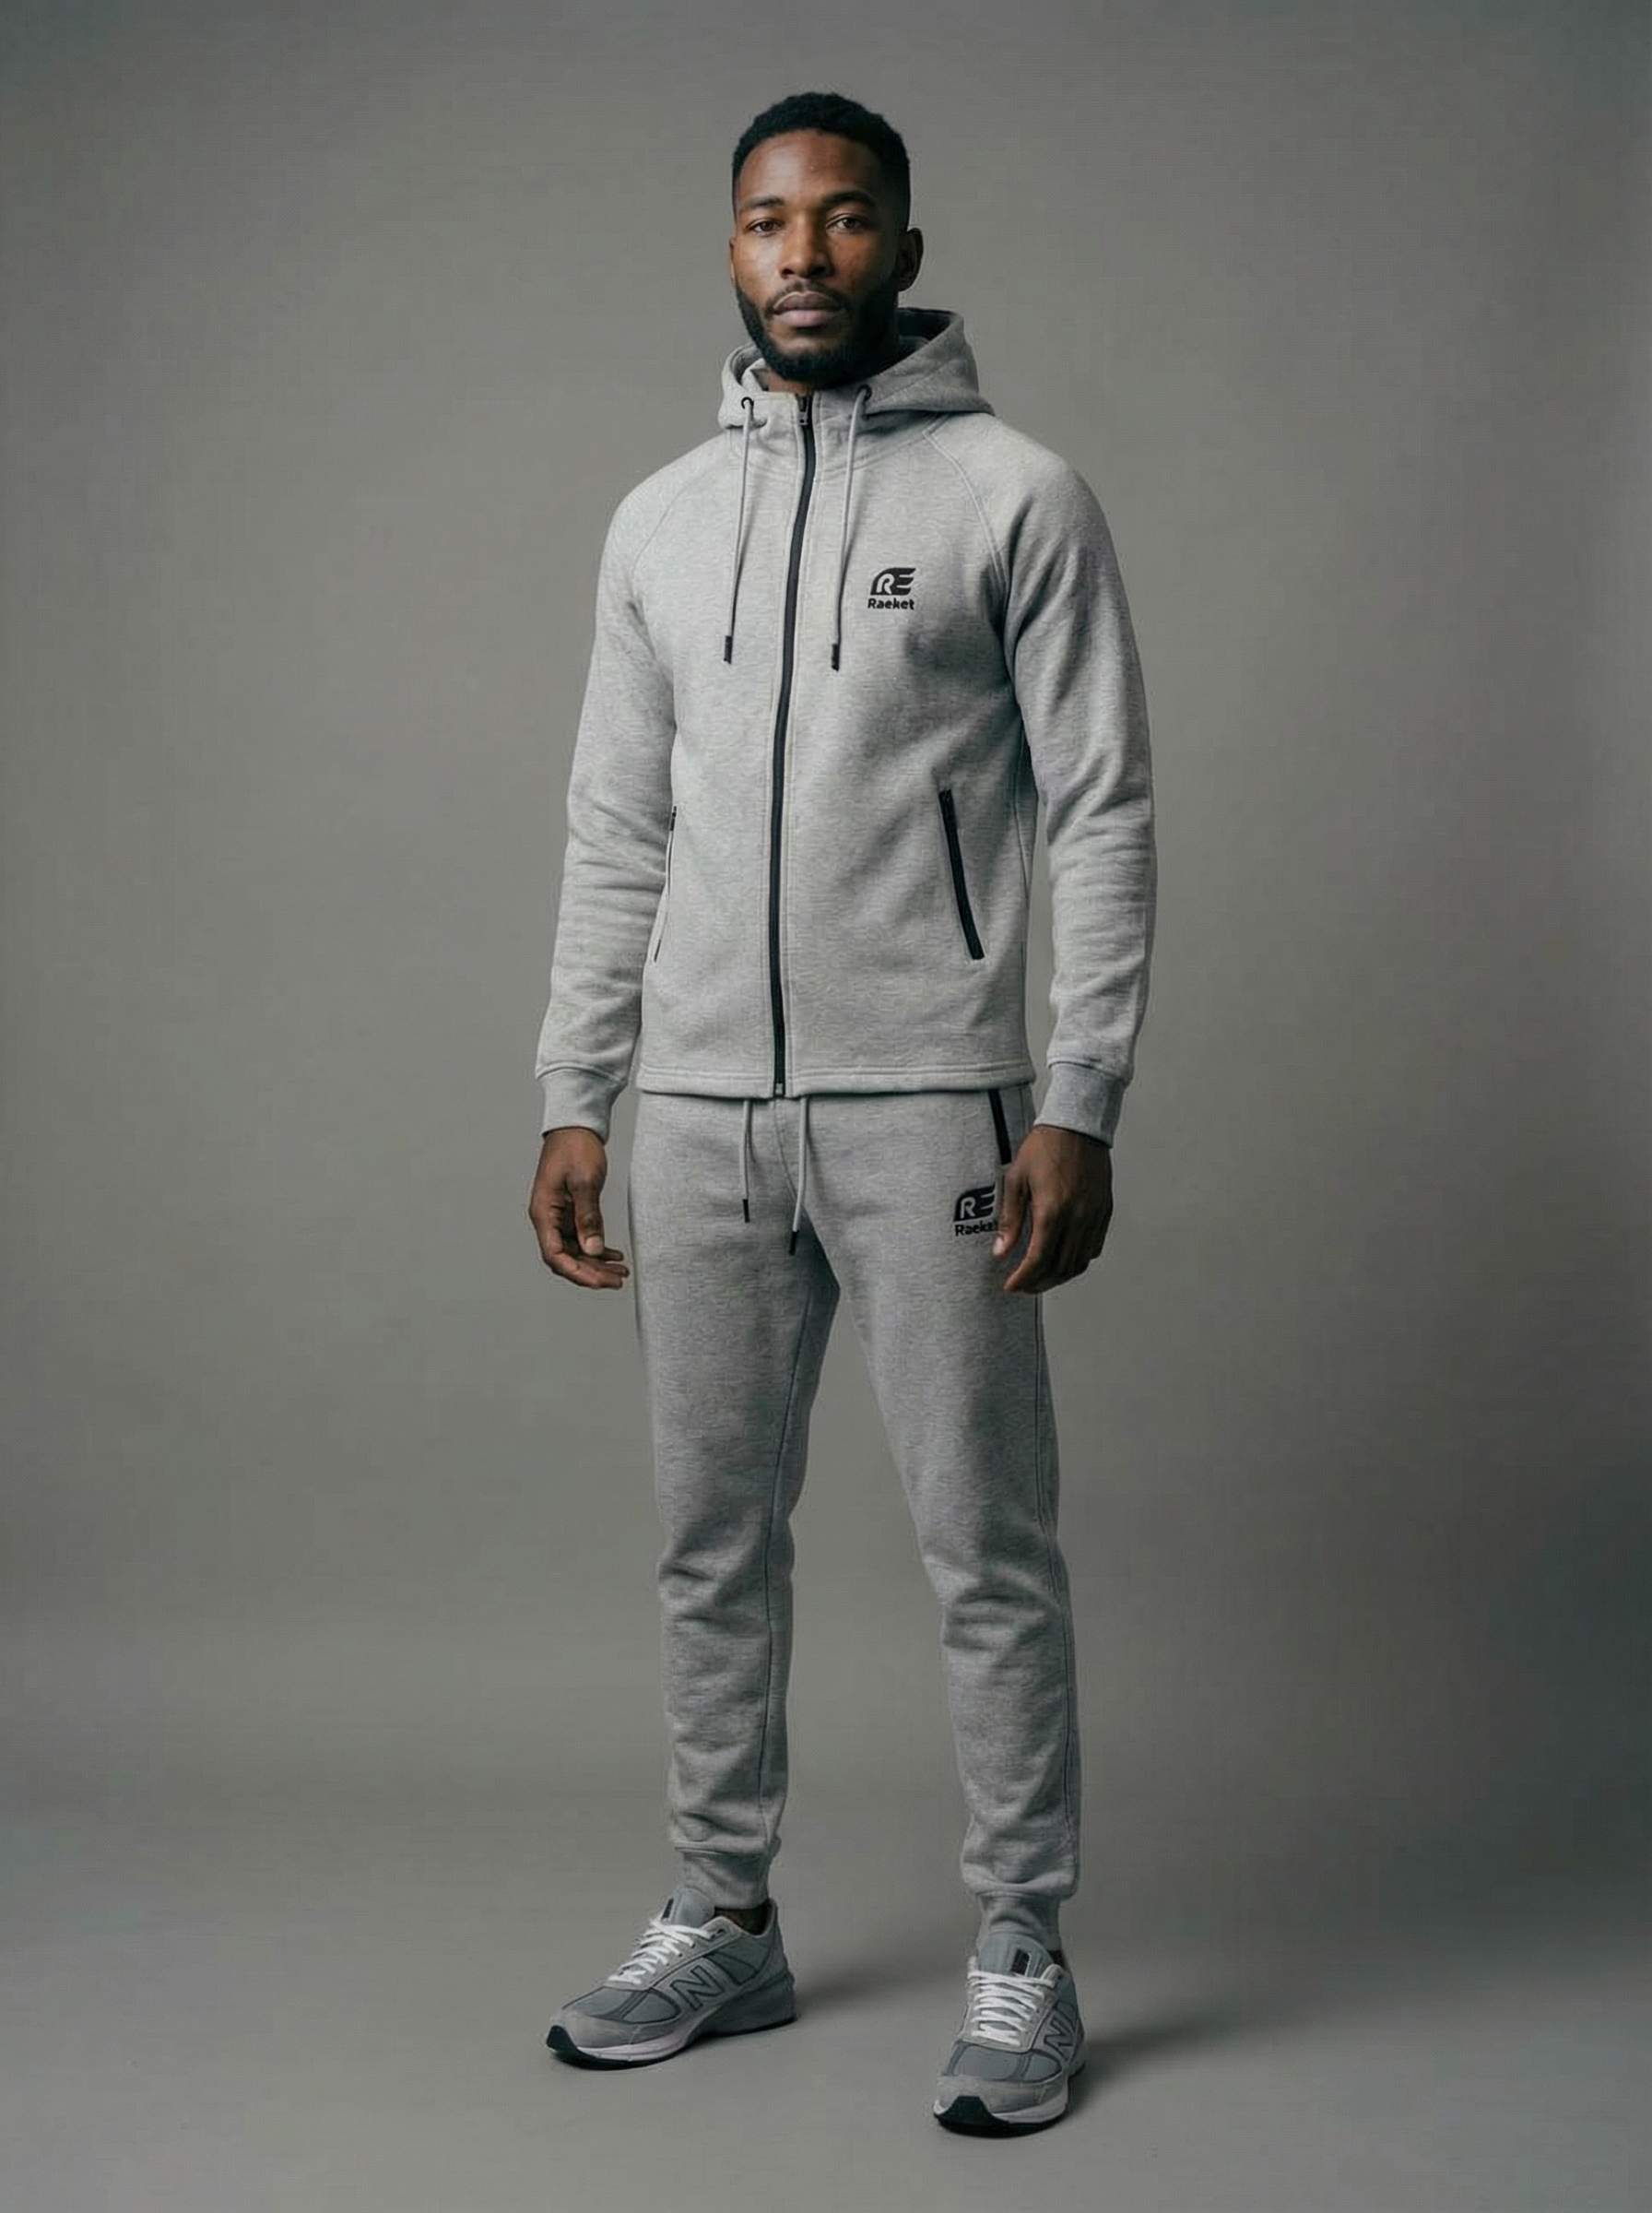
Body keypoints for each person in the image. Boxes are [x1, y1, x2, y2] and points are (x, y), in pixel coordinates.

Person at [528, 89, 1154, 2135]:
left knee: (986, 1546)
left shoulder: (1016, 497)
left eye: (844, 217)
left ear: (902, 245)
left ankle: (1023, 1946)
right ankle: (725, 1917)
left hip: (932, 1109)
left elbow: (1102, 809)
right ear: (730, 250)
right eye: (767, 222)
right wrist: (578, 1089)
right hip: (699, 1114)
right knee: (709, 1544)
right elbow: (617, 825)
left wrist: (1076, 1093)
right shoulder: (656, 520)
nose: (803, 254)